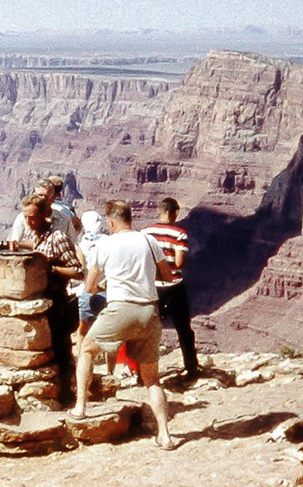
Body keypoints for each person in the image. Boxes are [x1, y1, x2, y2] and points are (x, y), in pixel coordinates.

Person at [69, 199, 178, 451]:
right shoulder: (148, 240)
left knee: (86, 349)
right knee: (152, 379)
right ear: (130, 217)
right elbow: (168, 275)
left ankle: (80, 408)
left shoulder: (105, 245)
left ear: (110, 222)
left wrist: (105, 284)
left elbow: (89, 286)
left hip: (120, 309)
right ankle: (165, 435)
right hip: (149, 311)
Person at [13, 192, 84, 405]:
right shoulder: (34, 237)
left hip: (57, 304)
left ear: (45, 214)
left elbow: (78, 271)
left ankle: (67, 394)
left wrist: (50, 267)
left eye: (33, 217)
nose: (28, 221)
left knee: (61, 350)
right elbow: (36, 248)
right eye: (25, 217)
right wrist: (18, 247)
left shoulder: (58, 238)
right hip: (39, 303)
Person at [141, 197, 200, 378]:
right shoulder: (179, 233)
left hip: (152, 286)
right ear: (175, 212)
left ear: (160, 211)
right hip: (174, 286)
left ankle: (143, 373)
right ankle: (191, 367)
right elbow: (179, 262)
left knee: (148, 329)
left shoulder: (145, 232)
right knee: (183, 328)